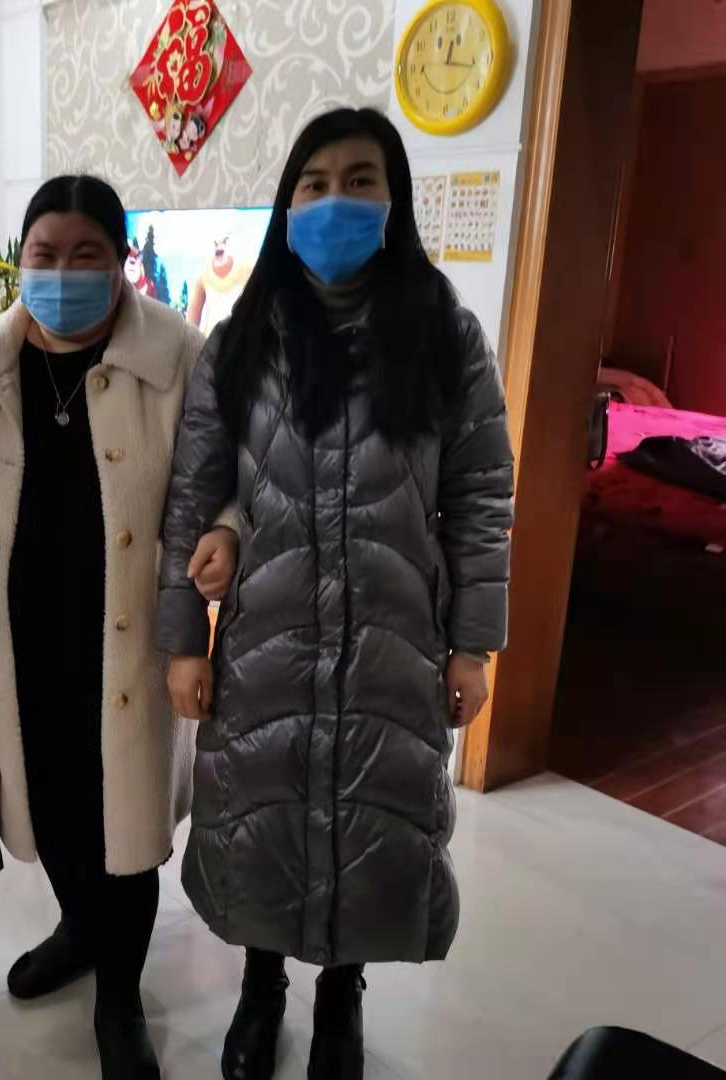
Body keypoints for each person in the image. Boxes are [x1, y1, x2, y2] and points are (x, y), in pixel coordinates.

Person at [156, 107, 516, 1080]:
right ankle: (260, 981)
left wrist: (473, 644)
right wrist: (184, 639)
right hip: (265, 638)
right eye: (313, 184)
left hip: (392, 643)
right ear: (287, 205)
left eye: (361, 181)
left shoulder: (445, 336)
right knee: (266, 812)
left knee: (366, 815)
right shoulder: (241, 340)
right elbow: (193, 494)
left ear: (394, 202)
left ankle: (341, 993)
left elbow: (482, 495)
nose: (335, 202)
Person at [0, 174, 239, 1080]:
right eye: (43, 255)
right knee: (45, 800)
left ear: (122, 260)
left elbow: (227, 479)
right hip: (13, 631)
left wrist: (226, 533)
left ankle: (120, 995)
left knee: (123, 819)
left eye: (87, 255)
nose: (62, 273)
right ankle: (78, 929)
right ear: (20, 259)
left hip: (130, 633)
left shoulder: (179, 355)